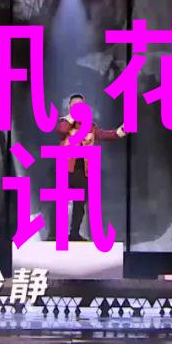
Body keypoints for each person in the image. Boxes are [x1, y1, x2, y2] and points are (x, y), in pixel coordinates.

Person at [52, 93, 127, 242]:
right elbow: (61, 131)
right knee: (60, 202)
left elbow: (106, 135)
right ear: (70, 107)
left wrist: (122, 130)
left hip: (82, 171)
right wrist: (72, 116)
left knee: (80, 205)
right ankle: (56, 234)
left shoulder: (90, 127)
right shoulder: (64, 122)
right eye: (75, 105)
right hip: (65, 169)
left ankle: (74, 233)